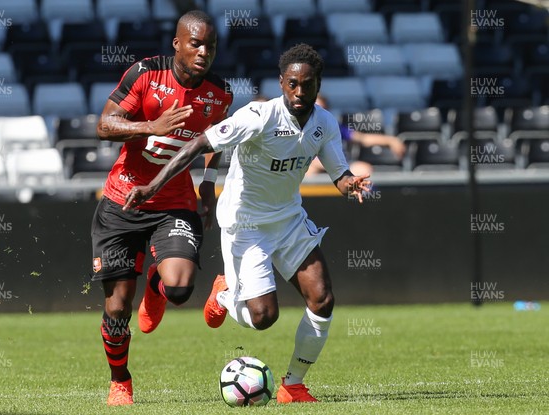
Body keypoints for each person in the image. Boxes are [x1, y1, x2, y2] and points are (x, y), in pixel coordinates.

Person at [122, 43, 371, 403]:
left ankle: (294, 385)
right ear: (282, 83)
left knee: (323, 299)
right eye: (292, 84)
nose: (300, 92)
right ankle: (224, 294)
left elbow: (339, 173)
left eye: (308, 84)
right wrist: (153, 185)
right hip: (246, 223)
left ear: (318, 84)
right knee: (263, 317)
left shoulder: (325, 123)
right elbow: (200, 144)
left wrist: (351, 185)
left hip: (288, 220)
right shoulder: (258, 116)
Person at [92, 10, 232, 406]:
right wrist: (150, 127)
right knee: (118, 307)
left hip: (175, 204)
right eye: (196, 43)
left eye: (211, 45)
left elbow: (217, 143)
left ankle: (157, 284)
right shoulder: (146, 75)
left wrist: (207, 185)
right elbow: (104, 125)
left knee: (180, 288)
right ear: (178, 44)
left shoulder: (220, 94)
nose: (204, 52)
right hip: (123, 200)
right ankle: (120, 380)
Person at [306, 94, 406, 176]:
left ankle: (363, 199)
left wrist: (391, 140)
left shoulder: (334, 127)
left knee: (363, 170)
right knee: (308, 172)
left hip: (340, 167)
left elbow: (363, 138)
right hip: (315, 167)